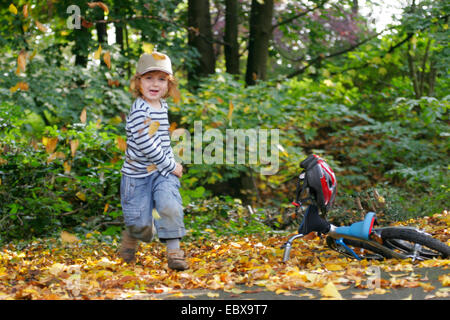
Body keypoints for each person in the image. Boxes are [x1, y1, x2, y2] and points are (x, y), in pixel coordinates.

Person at [119, 51, 188, 271]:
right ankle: (131, 237)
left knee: (170, 205)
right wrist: (172, 165)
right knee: (141, 224)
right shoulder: (140, 110)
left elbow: (162, 141)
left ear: (169, 84)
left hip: (161, 172)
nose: (155, 84)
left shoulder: (162, 106)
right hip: (136, 175)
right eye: (149, 78)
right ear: (138, 81)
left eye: (161, 79)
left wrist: (167, 166)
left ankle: (175, 253)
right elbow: (147, 146)